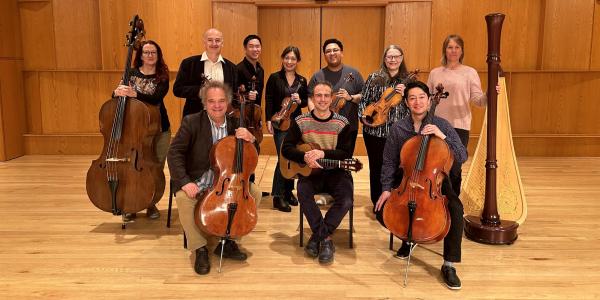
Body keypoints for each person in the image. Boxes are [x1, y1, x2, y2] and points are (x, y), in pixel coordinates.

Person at [374, 81, 467, 290]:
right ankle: (409, 239)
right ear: (406, 103)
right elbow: (389, 161)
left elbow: (462, 155)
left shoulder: (442, 125)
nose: (417, 102)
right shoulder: (399, 128)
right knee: (382, 211)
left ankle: (449, 264)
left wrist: (442, 137)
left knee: (455, 209)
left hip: (436, 182)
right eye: (412, 98)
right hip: (407, 180)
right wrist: (387, 189)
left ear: (429, 99)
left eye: (422, 97)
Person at [167, 81, 262, 275]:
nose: (217, 105)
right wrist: (185, 182)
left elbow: (252, 155)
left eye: (221, 101)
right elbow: (174, 153)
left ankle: (228, 242)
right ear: (204, 103)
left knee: (254, 194)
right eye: (212, 101)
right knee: (184, 199)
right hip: (199, 180)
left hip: (228, 184)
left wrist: (251, 139)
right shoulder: (191, 122)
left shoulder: (236, 124)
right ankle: (199, 248)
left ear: (227, 102)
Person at [281, 81, 354, 265]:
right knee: (303, 193)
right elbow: (286, 149)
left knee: (346, 200)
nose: (322, 99)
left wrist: (323, 153)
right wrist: (304, 156)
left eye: (326, 96)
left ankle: (317, 237)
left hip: (336, 171)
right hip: (311, 172)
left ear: (332, 98)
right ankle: (327, 240)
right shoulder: (300, 121)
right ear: (312, 98)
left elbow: (346, 153)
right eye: (318, 95)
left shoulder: (343, 123)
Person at [112, 40, 170, 222]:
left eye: (153, 52)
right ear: (140, 55)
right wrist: (116, 92)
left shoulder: (162, 76)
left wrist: (135, 94)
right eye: (146, 52)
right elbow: (116, 95)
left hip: (158, 128)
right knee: (130, 167)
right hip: (132, 129)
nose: (150, 55)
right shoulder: (130, 74)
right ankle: (131, 204)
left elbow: (156, 97)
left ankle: (151, 202)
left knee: (154, 166)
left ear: (158, 55)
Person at [426, 34, 486, 196]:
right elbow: (427, 100)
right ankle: (436, 201)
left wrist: (489, 95)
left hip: (460, 125)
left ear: (462, 51)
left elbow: (478, 100)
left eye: (457, 47)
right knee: (436, 166)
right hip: (436, 124)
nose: (453, 51)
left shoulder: (469, 72)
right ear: (445, 50)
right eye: (450, 47)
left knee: (455, 166)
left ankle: (453, 203)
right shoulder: (435, 73)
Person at [358, 44, 410, 209]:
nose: (393, 60)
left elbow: (417, 106)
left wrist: (406, 95)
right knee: (377, 166)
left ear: (401, 59)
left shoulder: (409, 80)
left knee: (398, 167)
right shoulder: (374, 77)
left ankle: (394, 202)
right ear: (385, 59)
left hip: (399, 133)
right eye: (389, 57)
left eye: (396, 57)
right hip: (374, 132)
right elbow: (364, 101)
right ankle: (377, 202)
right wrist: (364, 118)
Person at [265, 46, 308, 212]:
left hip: (296, 124)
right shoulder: (274, 78)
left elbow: (305, 101)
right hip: (280, 122)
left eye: (293, 59)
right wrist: (268, 119)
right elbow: (268, 99)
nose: (290, 61)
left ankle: (289, 191)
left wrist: (300, 100)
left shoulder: (302, 81)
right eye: (287, 58)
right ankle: (277, 195)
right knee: (283, 157)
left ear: (297, 61)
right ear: (282, 59)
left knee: (293, 157)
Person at [308, 38, 365, 154]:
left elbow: (364, 96)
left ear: (342, 53)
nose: (332, 53)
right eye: (328, 51)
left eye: (335, 50)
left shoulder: (354, 73)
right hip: (323, 127)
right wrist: (317, 116)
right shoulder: (318, 76)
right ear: (324, 55)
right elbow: (310, 97)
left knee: (345, 161)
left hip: (348, 127)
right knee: (325, 160)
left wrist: (351, 98)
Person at [173, 28, 237, 117]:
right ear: (204, 43)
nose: (214, 43)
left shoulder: (231, 67)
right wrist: (200, 91)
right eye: (210, 40)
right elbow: (177, 90)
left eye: (217, 40)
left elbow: (234, 94)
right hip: (195, 118)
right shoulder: (189, 63)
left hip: (223, 118)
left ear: (222, 43)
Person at [236, 34, 264, 108]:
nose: (255, 49)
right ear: (245, 48)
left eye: (257, 46)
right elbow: (234, 96)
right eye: (251, 46)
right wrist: (247, 96)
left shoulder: (260, 70)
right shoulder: (238, 69)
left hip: (256, 114)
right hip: (241, 114)